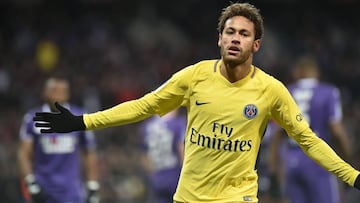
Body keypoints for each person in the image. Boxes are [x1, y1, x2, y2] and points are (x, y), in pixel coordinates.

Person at [32, 2, 360, 203]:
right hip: (188, 198)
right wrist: (83, 121)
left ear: (256, 44)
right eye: (229, 31)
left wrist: (352, 176)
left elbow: (308, 140)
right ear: (219, 38)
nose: (234, 38)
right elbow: (144, 106)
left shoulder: (271, 90)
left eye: (243, 34)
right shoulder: (194, 76)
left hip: (237, 197)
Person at [268, 56, 352, 203]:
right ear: (315, 72)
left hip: (291, 163)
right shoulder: (328, 92)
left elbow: (277, 135)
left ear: (297, 72)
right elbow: (336, 130)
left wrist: (273, 170)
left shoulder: (287, 92)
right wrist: (347, 160)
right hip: (319, 163)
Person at [18, 77, 100, 203]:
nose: (59, 95)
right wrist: (30, 181)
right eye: (55, 91)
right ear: (45, 93)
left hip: (71, 190)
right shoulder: (33, 118)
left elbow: (89, 152)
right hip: (43, 188)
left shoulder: (79, 117)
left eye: (63, 91)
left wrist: (92, 184)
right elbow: (24, 153)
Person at [139, 109, 186, 203]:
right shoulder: (178, 123)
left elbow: (145, 158)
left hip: (157, 178)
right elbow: (181, 150)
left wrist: (153, 176)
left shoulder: (146, 127)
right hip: (176, 176)